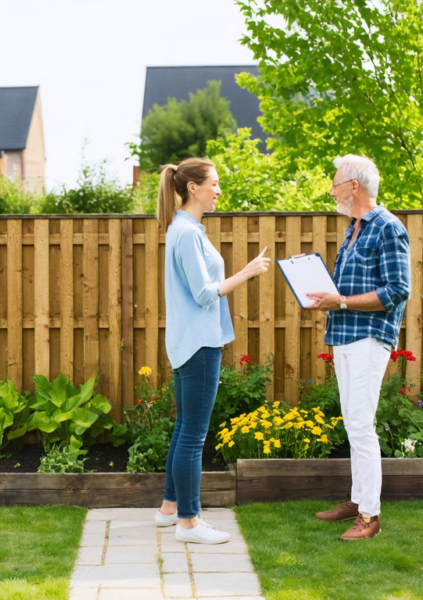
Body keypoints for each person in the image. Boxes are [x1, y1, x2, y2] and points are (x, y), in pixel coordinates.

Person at [153, 157, 271, 544]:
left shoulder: (186, 229)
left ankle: (170, 509)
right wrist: (247, 272)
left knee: (184, 429)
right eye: (214, 184)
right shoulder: (186, 233)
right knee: (193, 435)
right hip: (200, 343)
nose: (219, 191)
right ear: (193, 188)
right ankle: (189, 523)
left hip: (192, 341)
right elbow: (205, 293)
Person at [306, 155, 411, 540]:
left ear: (353, 187)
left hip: (369, 336)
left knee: (362, 424)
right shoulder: (353, 228)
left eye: (335, 184)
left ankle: (371, 516)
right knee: (353, 422)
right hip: (344, 335)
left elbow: (398, 290)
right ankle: (357, 499)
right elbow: (344, 290)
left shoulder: (387, 228)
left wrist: (343, 302)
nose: (332, 191)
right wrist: (324, 296)